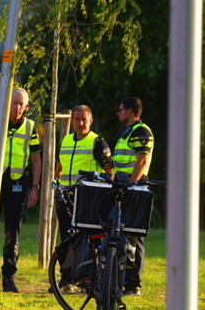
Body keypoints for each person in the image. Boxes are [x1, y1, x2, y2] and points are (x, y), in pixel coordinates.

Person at [0, 87, 42, 293]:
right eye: (13, 103)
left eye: (21, 104)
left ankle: (8, 277)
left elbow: (36, 159)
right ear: (6, 104)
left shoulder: (30, 127)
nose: (17, 107)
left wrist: (35, 187)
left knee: (13, 232)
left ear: (26, 107)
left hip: (18, 184)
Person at [53, 105, 113, 290]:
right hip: (65, 196)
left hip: (86, 199)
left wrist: (102, 192)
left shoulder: (97, 142)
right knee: (66, 238)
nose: (80, 123)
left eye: (83, 120)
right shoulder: (66, 140)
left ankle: (89, 279)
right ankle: (67, 278)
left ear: (91, 121)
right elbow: (59, 166)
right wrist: (55, 184)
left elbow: (109, 170)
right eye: (76, 119)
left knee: (87, 239)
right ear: (71, 120)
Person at [112, 96, 154, 296]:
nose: (118, 113)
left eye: (120, 109)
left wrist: (131, 186)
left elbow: (142, 162)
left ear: (129, 111)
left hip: (134, 188)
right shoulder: (126, 133)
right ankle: (121, 279)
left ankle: (133, 283)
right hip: (123, 186)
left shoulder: (141, 132)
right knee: (122, 234)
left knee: (134, 236)